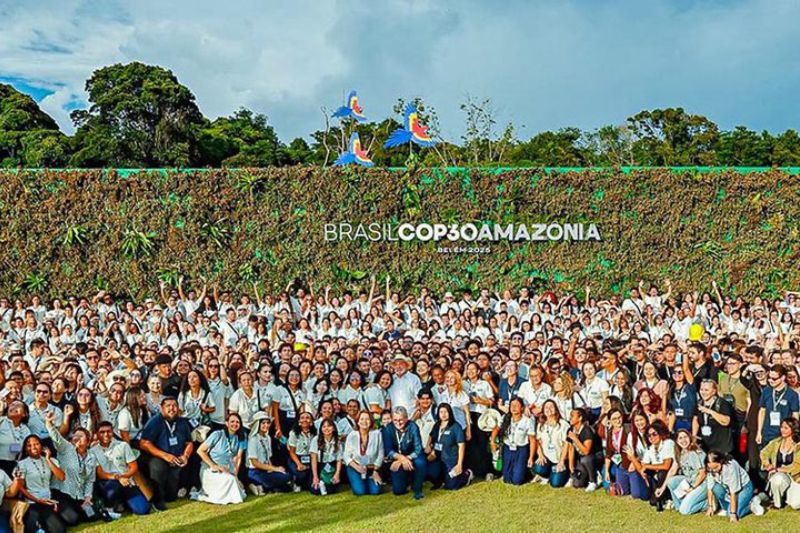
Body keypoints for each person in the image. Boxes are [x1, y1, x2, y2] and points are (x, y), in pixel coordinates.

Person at [45, 409, 103, 524]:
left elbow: (90, 480)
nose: (76, 438)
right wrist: (49, 423)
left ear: (88, 441)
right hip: (61, 493)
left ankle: (84, 510)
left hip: (79, 495)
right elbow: (56, 437)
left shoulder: (91, 456)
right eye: (74, 436)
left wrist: (87, 498)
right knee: (73, 520)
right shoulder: (66, 448)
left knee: (92, 516)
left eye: (80, 436)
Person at [139, 397, 194, 511]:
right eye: (168, 406)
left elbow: (189, 443)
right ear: (161, 408)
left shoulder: (182, 422)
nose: (172, 408)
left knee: (171, 497)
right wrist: (165, 456)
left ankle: (187, 489)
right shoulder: (155, 421)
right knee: (157, 466)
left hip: (177, 458)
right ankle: (157, 500)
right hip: (159, 457)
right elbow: (144, 443)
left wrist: (186, 456)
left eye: (174, 405)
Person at [92, 421, 150, 516]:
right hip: (108, 483)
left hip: (127, 481)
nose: (106, 435)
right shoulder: (93, 451)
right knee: (114, 487)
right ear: (96, 434)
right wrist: (118, 478)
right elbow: (100, 473)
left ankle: (123, 503)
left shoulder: (123, 445)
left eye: (109, 431)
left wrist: (124, 477)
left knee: (143, 510)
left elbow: (134, 467)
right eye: (102, 432)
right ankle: (111, 505)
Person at [15, 435, 68, 533]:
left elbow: (61, 477)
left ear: (42, 446)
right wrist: (37, 500)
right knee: (56, 530)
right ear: (25, 449)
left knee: (68, 523)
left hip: (49, 499)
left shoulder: (50, 460)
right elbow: (20, 487)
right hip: (33, 502)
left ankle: (49, 519)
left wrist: (48, 459)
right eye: (29, 445)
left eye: (36, 444)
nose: (33, 447)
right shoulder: (22, 464)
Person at [195, 412, 246, 504]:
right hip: (210, 469)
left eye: (237, 422)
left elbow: (238, 457)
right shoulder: (217, 434)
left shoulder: (241, 437)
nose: (235, 424)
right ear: (226, 423)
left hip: (227, 468)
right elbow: (200, 450)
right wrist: (213, 465)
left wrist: (236, 474)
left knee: (233, 480)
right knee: (229, 480)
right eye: (232, 421)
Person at [704, 450, 763, 522]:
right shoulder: (710, 469)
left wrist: (733, 514)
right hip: (728, 490)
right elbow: (710, 488)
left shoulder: (731, 467)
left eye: (716, 467)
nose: (714, 471)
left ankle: (751, 506)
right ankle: (729, 508)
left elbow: (733, 493)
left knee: (731, 513)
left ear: (721, 462)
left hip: (744, 488)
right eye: (711, 468)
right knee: (715, 488)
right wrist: (710, 507)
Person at [628, 420, 674, 511]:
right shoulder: (650, 449)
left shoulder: (668, 443)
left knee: (662, 473)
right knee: (652, 501)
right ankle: (659, 498)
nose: (651, 437)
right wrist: (633, 457)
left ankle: (666, 498)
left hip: (671, 474)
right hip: (658, 478)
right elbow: (642, 468)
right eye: (649, 435)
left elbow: (666, 466)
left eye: (654, 434)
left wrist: (648, 466)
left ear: (660, 433)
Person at [382, 406, 425, 500]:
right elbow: (388, 449)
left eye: (401, 420)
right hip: (397, 459)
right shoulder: (388, 429)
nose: (398, 423)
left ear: (406, 418)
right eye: (395, 420)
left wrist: (407, 458)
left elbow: (418, 448)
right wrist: (401, 458)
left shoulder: (413, 426)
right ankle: (407, 481)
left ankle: (418, 489)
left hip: (413, 456)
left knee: (420, 462)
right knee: (398, 491)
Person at [491, 397, 535, 486]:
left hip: (521, 449)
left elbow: (532, 440)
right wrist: (492, 441)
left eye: (517, 405)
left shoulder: (527, 421)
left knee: (517, 481)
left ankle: (525, 472)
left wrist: (531, 457)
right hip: (508, 448)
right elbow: (496, 429)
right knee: (507, 480)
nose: (514, 408)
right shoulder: (505, 417)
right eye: (512, 405)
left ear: (522, 408)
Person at [428, 403, 472, 490]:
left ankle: (466, 475)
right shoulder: (436, 425)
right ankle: (440, 481)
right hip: (438, 458)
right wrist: (428, 447)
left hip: (451, 459)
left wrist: (459, 464)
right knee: (430, 470)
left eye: (446, 412)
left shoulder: (456, 427)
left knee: (451, 486)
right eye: (441, 412)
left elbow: (461, 445)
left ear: (450, 413)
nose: (443, 414)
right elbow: (431, 436)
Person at [663, 429, 707, 515]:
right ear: (677, 441)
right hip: (690, 481)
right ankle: (679, 505)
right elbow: (672, 471)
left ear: (690, 437)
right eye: (680, 438)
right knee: (671, 481)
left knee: (684, 511)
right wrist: (662, 488)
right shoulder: (681, 453)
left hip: (702, 483)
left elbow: (703, 474)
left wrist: (693, 488)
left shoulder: (695, 452)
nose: (683, 440)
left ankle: (708, 503)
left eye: (685, 437)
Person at [246, 412, 291, 494]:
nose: (266, 425)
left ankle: (264, 487)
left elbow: (268, 457)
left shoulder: (268, 438)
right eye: (263, 423)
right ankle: (259, 485)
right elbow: (255, 463)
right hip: (255, 471)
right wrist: (275, 469)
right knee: (283, 479)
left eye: (268, 423)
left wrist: (273, 469)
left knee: (286, 475)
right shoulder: (253, 439)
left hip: (266, 470)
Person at [760, 418, 800, 509]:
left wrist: (778, 469)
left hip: (795, 476)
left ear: (793, 429)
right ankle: (777, 504)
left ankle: (787, 495)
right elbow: (764, 453)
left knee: (796, 504)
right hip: (780, 476)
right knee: (777, 478)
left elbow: (797, 466)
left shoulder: (798, 445)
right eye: (781, 427)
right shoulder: (776, 442)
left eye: (786, 428)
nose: (782, 430)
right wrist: (767, 464)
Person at [757, 365, 800, 447]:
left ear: (783, 378)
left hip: (783, 434)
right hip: (767, 433)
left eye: (774, 379)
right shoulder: (766, 391)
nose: (770, 381)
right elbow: (762, 411)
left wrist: (794, 434)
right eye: (769, 378)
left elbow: (795, 415)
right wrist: (759, 432)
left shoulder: (792, 394)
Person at [343, 410, 383, 496]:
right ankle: (359, 481)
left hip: (371, 468)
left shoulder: (377, 434)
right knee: (360, 492)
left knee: (375, 491)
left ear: (371, 421)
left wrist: (375, 471)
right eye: (361, 419)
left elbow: (380, 454)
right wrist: (357, 467)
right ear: (357, 421)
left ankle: (369, 481)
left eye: (367, 419)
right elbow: (346, 456)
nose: (364, 422)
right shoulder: (352, 435)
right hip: (356, 466)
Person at [533, 399, 570, 488]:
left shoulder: (563, 424)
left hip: (559, 459)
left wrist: (561, 461)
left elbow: (567, 444)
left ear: (556, 409)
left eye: (551, 407)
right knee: (538, 467)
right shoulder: (541, 424)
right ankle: (546, 476)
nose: (548, 409)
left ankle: (565, 474)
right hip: (547, 458)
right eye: (546, 407)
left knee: (555, 484)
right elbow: (538, 441)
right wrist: (540, 455)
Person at [566, 407, 601, 491]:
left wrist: (575, 439)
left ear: (580, 418)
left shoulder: (587, 430)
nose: (570, 418)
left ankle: (593, 481)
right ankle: (587, 477)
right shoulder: (571, 429)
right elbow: (570, 448)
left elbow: (586, 451)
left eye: (572, 416)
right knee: (577, 484)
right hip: (581, 458)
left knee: (586, 459)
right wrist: (571, 468)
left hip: (594, 457)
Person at [310, 418, 342, 496]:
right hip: (320, 467)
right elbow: (313, 459)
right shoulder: (316, 440)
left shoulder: (337, 441)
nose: (326, 428)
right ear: (321, 429)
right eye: (324, 426)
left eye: (329, 426)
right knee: (315, 490)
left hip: (332, 467)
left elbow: (339, 460)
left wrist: (337, 474)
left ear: (333, 428)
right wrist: (315, 477)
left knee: (332, 488)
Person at [286, 412, 316, 491]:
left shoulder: (315, 433)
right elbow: (292, 452)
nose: (305, 420)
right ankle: (294, 480)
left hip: (310, 458)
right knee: (301, 475)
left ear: (311, 421)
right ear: (299, 421)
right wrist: (299, 464)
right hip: (296, 458)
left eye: (307, 417)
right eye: (302, 418)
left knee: (310, 479)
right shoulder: (294, 433)